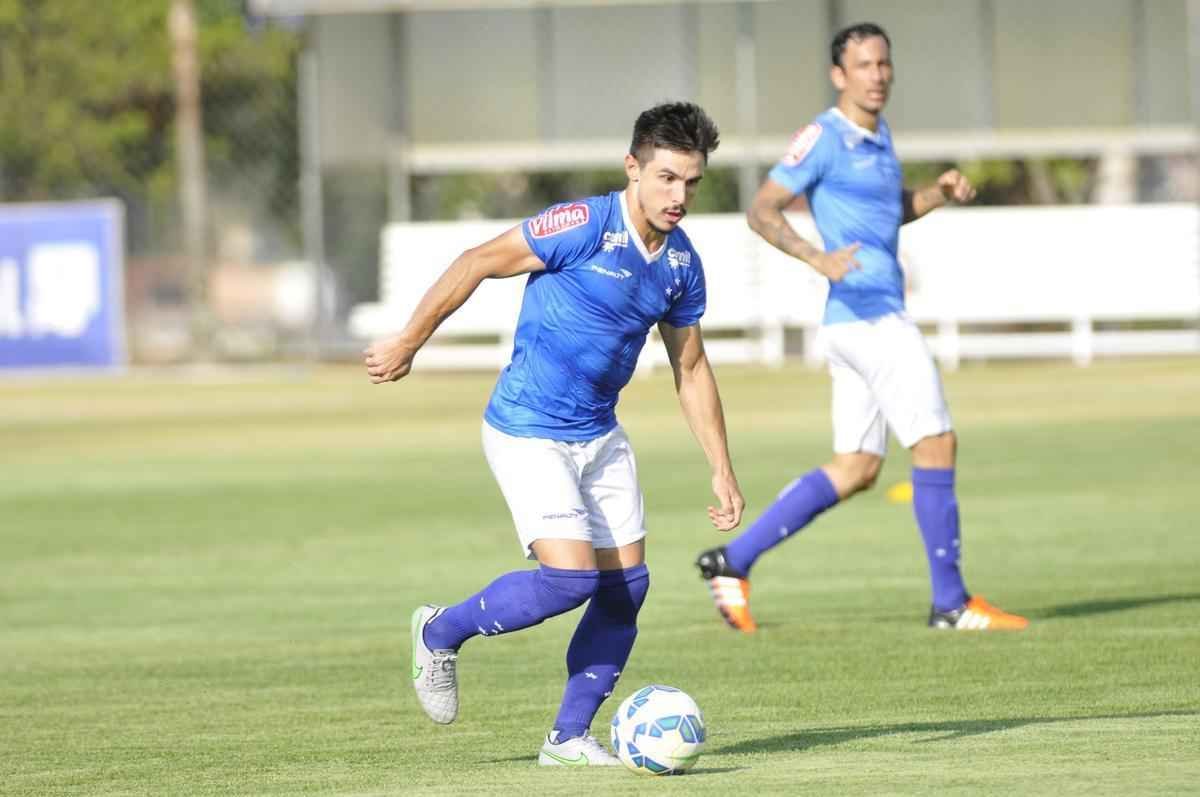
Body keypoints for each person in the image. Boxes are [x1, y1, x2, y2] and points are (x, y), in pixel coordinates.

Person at [365, 102, 745, 765]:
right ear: (632, 168)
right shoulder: (583, 225)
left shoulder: (681, 263)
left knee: (626, 588)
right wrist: (409, 341)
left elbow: (690, 366)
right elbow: (477, 260)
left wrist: (721, 466)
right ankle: (440, 631)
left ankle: (567, 738)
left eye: (691, 182)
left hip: (600, 435)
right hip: (528, 429)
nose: (678, 196)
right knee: (571, 580)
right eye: (666, 178)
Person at [695, 23, 1027, 633]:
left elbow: (887, 211)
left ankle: (733, 561)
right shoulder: (824, 136)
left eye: (883, 63)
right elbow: (761, 209)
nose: (877, 75)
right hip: (871, 318)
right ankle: (951, 603)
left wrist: (938, 193)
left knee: (857, 467)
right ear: (838, 75)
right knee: (936, 442)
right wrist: (816, 257)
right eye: (864, 65)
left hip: (856, 323)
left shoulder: (880, 135)